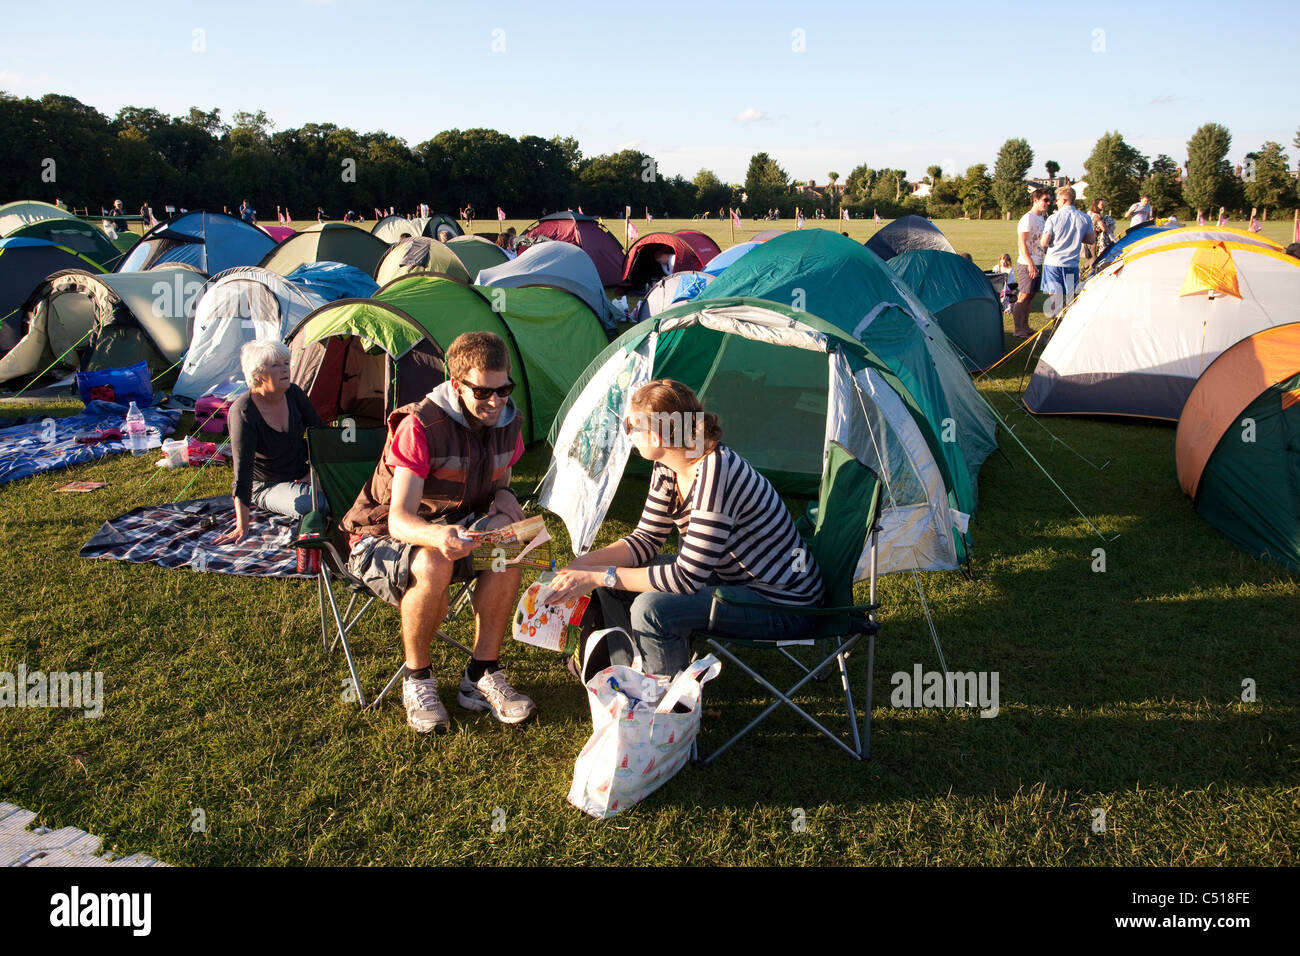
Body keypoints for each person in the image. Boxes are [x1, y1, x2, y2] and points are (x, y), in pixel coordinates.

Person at [546, 379, 825, 678]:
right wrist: (583, 566)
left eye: (631, 427)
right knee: (611, 586)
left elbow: (686, 579)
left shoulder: (716, 472)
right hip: (733, 579)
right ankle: (626, 677)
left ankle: (667, 705)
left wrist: (598, 575)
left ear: (655, 436)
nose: (628, 436)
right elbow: (645, 540)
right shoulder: (669, 464)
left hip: (783, 604)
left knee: (651, 609)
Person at [341, 332, 534, 733]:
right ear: (456, 383)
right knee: (431, 562)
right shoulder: (421, 426)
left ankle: (481, 674)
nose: (496, 402)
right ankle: (418, 679)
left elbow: (500, 482)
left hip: (457, 528)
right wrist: (438, 536)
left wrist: (506, 498)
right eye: (483, 392)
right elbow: (400, 521)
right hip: (378, 536)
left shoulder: (508, 420)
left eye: (504, 390)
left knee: (512, 544)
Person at [215, 341, 324, 546]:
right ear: (257, 374)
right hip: (267, 484)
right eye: (275, 365)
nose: (285, 369)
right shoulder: (243, 412)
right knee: (317, 504)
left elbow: (319, 433)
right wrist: (242, 526)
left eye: (285, 363)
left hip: (303, 473)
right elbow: (242, 471)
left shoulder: (294, 394)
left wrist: (317, 473)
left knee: (348, 489)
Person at [1040, 185, 1095, 305]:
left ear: (1064, 200)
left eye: (1058, 200)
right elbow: (1091, 239)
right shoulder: (1085, 218)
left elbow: (1044, 242)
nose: (1056, 203)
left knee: (1054, 298)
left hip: (1054, 263)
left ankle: (1056, 320)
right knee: (1071, 298)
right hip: (1071, 263)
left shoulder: (1053, 218)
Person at [1013, 188, 1052, 338]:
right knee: (1023, 296)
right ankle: (1018, 329)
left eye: (1049, 200)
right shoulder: (1027, 219)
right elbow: (1021, 243)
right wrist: (1030, 263)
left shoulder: (1041, 218)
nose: (1048, 203)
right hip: (1027, 263)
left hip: (1038, 260)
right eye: (1045, 200)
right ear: (1035, 200)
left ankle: (1025, 326)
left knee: (1031, 296)